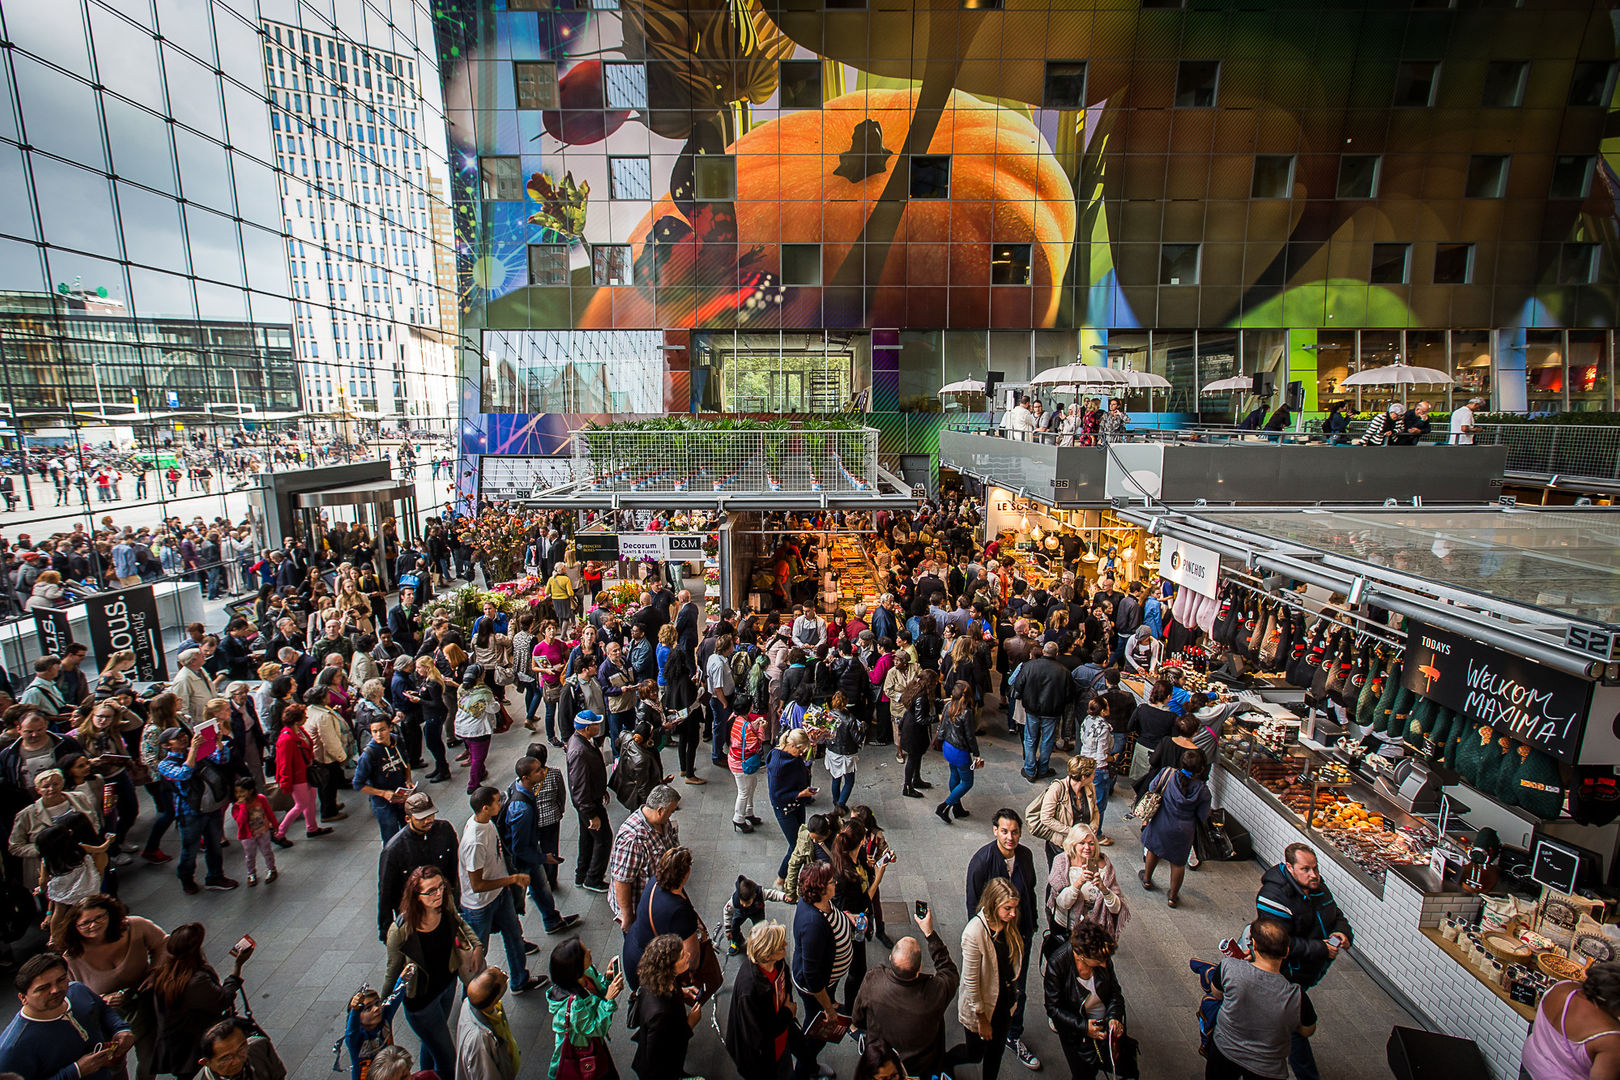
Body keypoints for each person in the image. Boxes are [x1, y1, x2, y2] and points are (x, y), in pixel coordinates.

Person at [1256, 843, 1352, 1080]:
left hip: (1307, 971)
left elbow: (1335, 914)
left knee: (1278, 1020)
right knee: (1295, 1027)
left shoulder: (1316, 887)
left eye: (1315, 868)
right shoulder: (1273, 897)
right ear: (1289, 867)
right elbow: (1279, 944)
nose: (1314, 875)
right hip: (1286, 973)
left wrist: (1342, 932)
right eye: (1306, 869)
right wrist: (1321, 948)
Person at [385, 865, 481, 1078]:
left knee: (431, 1043)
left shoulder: (444, 904)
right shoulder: (400, 930)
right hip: (421, 1003)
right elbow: (392, 970)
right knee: (447, 1059)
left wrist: (477, 945)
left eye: (440, 887)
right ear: (416, 895)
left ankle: (427, 1075)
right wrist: (384, 1011)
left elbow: (459, 922)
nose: (438, 894)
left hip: (447, 986)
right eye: (430, 891)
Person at [963, 809, 1040, 1070]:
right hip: (994, 938)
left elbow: (1030, 890)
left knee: (1018, 985)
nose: (1010, 837)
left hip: (1020, 934)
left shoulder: (1026, 856)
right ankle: (987, 1022)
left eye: (1015, 832)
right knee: (990, 983)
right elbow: (973, 903)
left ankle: (1012, 1033)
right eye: (1005, 831)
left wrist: (1032, 921)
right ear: (995, 830)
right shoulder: (982, 861)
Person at [61, 895, 168, 1080]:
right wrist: (101, 1000)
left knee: (149, 1056)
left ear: (110, 914)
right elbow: (69, 999)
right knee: (114, 1065)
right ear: (75, 927)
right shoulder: (71, 957)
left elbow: (164, 943)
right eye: (85, 923)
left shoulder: (134, 926)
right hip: (103, 1018)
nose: (93, 925)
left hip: (144, 1004)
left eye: (99, 917)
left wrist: (155, 971)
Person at [851, 905, 960, 1080]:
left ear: (890, 959)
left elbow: (857, 1018)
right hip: (920, 1068)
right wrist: (929, 933)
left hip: (882, 1062)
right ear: (919, 969)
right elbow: (950, 971)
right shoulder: (935, 991)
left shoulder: (874, 980)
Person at [1206, 917, 1315, 1080]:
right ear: (1286, 952)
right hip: (1267, 1068)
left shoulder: (1230, 967)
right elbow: (1307, 1030)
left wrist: (1239, 964)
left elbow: (1216, 993)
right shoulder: (1296, 997)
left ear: (1254, 945)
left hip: (1224, 1050)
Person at [0, 951, 133, 1080]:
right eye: (43, 988)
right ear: (23, 998)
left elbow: (103, 1009)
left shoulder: (77, 990)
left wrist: (121, 1029)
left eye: (61, 980)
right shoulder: (13, 1048)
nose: (56, 990)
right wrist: (75, 1071)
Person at [458, 786, 540, 994]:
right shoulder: (474, 841)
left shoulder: (487, 823)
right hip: (479, 906)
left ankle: (520, 979)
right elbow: (477, 885)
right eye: (497, 802)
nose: (501, 804)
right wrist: (512, 879)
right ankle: (474, 994)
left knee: (514, 935)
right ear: (485, 808)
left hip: (499, 894)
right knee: (479, 950)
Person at [147, 923, 252, 1077]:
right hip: (195, 1048)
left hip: (178, 1049)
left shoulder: (164, 974)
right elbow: (222, 1000)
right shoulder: (195, 980)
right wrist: (237, 967)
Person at [954, 878, 1026, 1080]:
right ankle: (946, 1061)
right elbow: (971, 981)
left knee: (995, 1055)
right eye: (1008, 908)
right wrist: (982, 1019)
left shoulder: (1008, 926)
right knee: (975, 1053)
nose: (1013, 914)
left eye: (1014, 908)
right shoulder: (974, 932)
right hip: (983, 1009)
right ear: (994, 905)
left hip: (1004, 1004)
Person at [1044, 921, 1135, 1080]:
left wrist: (1114, 1016)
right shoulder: (1057, 964)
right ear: (1081, 956)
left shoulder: (1101, 955)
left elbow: (1114, 992)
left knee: (1128, 1070)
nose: (1104, 964)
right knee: (1083, 1074)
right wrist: (1085, 1027)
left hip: (1105, 1025)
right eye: (1098, 961)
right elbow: (1053, 1008)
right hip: (1077, 1034)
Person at [155, 724, 238, 894]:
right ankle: (186, 879)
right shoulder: (165, 764)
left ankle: (215, 876)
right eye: (177, 738)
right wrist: (193, 750)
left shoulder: (196, 750)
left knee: (214, 844)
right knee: (190, 849)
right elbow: (183, 774)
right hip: (190, 811)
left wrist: (218, 743)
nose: (183, 738)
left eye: (183, 735)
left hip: (212, 806)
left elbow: (221, 759)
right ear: (166, 745)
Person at [502, 756, 579, 933]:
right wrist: (543, 857)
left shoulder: (519, 789)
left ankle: (551, 918)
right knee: (539, 887)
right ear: (525, 778)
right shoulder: (522, 809)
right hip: (526, 855)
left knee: (540, 887)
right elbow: (519, 847)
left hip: (529, 850)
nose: (543, 772)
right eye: (537, 771)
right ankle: (550, 920)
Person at [792, 862, 855, 1080]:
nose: (835, 882)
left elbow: (833, 915)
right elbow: (812, 978)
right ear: (819, 889)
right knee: (817, 1030)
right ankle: (805, 1068)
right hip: (817, 990)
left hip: (829, 980)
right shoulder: (813, 926)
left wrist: (846, 918)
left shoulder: (821, 903)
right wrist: (828, 1009)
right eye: (830, 881)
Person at [376, 791, 461, 941]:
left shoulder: (444, 829)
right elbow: (386, 891)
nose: (429, 820)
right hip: (415, 915)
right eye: (422, 818)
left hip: (443, 906)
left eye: (431, 815)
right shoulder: (394, 850)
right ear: (408, 819)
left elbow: (453, 867)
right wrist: (386, 930)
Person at [1139, 748, 1212, 908]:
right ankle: (1172, 896)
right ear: (1201, 769)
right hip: (1184, 831)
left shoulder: (1168, 774)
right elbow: (1202, 815)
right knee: (1178, 863)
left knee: (1153, 849)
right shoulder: (1203, 790)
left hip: (1161, 822)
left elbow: (1152, 787)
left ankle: (1147, 879)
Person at [726, 920, 799, 1080]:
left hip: (780, 1041)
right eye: (781, 946)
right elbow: (757, 1036)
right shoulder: (749, 988)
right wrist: (788, 1013)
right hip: (762, 1060)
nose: (786, 944)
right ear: (766, 955)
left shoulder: (777, 963)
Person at [544, 938, 624, 1080]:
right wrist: (609, 1000)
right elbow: (595, 1027)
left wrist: (607, 980)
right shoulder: (573, 1006)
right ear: (576, 967)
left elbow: (597, 996)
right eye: (584, 952)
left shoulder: (586, 974)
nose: (589, 951)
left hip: (593, 1042)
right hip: (584, 1052)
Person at [608, 784, 681, 933]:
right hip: (639, 908)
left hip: (657, 898)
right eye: (671, 811)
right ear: (660, 810)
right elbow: (621, 880)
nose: (671, 815)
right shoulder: (633, 839)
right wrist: (628, 917)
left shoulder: (662, 821)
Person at [1047, 824, 1128, 953]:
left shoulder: (1105, 866)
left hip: (1092, 933)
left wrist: (1103, 888)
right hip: (1066, 927)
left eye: (1091, 843)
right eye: (1082, 843)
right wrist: (1079, 882)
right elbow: (1062, 903)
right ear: (1073, 844)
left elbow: (1116, 908)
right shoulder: (1062, 863)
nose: (1087, 848)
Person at [631, 933, 702, 1080]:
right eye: (682, 956)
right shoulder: (660, 1014)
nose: (688, 955)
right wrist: (690, 1024)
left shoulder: (657, 981)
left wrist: (680, 992)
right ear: (669, 966)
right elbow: (661, 1052)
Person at [565, 711, 611, 893]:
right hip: (588, 804)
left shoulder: (582, 743)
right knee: (604, 839)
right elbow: (579, 785)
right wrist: (591, 814)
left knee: (587, 838)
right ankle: (593, 878)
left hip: (590, 800)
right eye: (595, 724)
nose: (598, 727)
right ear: (586, 728)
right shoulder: (579, 751)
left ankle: (581, 874)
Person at [1029, 755, 1102, 865]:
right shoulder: (1057, 788)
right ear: (1083, 777)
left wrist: (1094, 825)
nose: (1094, 776)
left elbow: (1095, 810)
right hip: (1060, 845)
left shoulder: (1090, 787)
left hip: (1084, 847)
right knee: (1059, 878)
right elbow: (1046, 818)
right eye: (1093, 774)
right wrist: (1073, 832)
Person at [1018, 642, 1073, 783]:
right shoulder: (1063, 671)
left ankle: (1030, 769)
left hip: (1032, 709)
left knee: (1030, 739)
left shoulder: (1030, 666)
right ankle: (1042, 769)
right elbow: (1068, 695)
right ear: (1057, 653)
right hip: (1052, 711)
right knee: (1047, 740)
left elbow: (1019, 685)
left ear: (1043, 651)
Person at [354, 713, 412, 842]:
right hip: (383, 803)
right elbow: (358, 784)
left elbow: (405, 761)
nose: (378, 734)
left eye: (382, 730)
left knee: (408, 830)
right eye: (374, 731)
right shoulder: (369, 754)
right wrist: (383, 793)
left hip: (401, 795)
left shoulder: (397, 741)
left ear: (390, 728)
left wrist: (408, 779)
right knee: (391, 836)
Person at [767, 729, 816, 882]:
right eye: (800, 750)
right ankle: (782, 877)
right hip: (785, 809)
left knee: (801, 839)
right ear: (792, 746)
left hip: (798, 804)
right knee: (796, 844)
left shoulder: (792, 756)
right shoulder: (777, 765)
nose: (801, 754)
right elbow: (776, 795)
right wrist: (800, 794)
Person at [339, 975, 409, 1080]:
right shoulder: (355, 1039)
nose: (376, 1009)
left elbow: (395, 998)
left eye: (377, 1003)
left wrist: (403, 978)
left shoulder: (384, 1019)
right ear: (358, 1017)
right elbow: (351, 1031)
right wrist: (355, 1009)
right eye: (368, 1008)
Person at [456, 966, 519, 1080]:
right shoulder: (480, 1041)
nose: (505, 975)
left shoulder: (470, 1003)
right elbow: (486, 1074)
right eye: (504, 978)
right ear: (495, 998)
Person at [937, 679, 984, 823]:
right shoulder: (966, 712)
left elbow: (943, 726)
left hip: (948, 746)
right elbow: (970, 736)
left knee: (955, 775)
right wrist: (976, 754)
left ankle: (957, 808)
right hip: (960, 751)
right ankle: (945, 806)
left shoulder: (949, 706)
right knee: (967, 782)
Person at [193, 1017, 287, 1080]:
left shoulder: (259, 1046)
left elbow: (278, 1076)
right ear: (206, 1062)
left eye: (241, 1049)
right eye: (226, 1058)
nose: (238, 1061)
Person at [453, 665, 498, 794]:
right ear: (480, 676)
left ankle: (481, 772)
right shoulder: (484, 692)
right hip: (478, 729)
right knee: (478, 758)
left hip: (462, 727)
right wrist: (497, 704)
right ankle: (473, 784)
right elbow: (492, 709)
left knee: (474, 752)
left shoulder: (462, 688)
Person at [728, 693, 768, 832]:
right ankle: (738, 818)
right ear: (749, 708)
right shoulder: (744, 725)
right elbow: (755, 744)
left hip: (736, 759)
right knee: (744, 791)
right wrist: (761, 728)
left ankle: (749, 812)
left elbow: (746, 732)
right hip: (742, 764)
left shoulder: (737, 719)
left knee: (751, 785)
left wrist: (755, 725)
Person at [897, 668, 939, 799]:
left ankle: (916, 779)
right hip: (914, 732)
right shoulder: (921, 697)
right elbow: (921, 719)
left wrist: (943, 701)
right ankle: (908, 786)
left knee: (917, 756)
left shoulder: (917, 690)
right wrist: (938, 717)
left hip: (911, 727)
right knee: (913, 758)